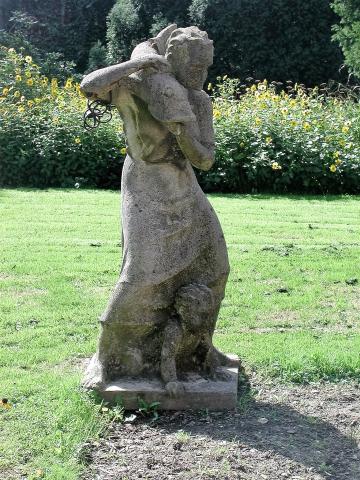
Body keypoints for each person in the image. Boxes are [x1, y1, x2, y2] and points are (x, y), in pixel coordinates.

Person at [80, 25, 230, 390]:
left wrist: (181, 129)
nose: (200, 76)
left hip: (183, 184)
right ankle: (109, 359)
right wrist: (141, 62)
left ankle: (199, 349)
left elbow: (205, 160)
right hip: (145, 184)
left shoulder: (197, 101)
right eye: (194, 67)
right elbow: (89, 84)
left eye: (205, 68)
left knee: (215, 266)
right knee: (141, 275)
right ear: (172, 59)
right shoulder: (134, 83)